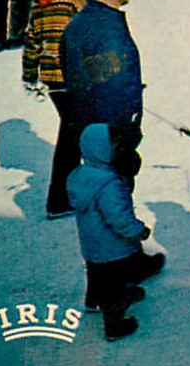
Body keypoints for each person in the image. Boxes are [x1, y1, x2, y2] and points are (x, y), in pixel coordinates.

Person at [68, 123, 163, 340]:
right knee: (115, 284)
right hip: (113, 247)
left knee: (95, 273)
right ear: (101, 149)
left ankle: (93, 301)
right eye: (115, 145)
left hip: (91, 245)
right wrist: (139, 231)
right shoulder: (109, 184)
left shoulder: (81, 175)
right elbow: (120, 219)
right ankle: (115, 323)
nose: (120, 149)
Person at [62, 0, 145, 185]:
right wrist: (124, 138)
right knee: (114, 199)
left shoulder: (77, 23)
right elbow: (115, 87)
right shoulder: (110, 31)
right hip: (111, 137)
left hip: (87, 133)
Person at [23, 0, 87, 219]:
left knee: (73, 134)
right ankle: (60, 199)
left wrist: (29, 75)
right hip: (75, 76)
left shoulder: (41, 0)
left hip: (53, 81)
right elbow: (89, 32)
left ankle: (67, 194)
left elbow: (31, 42)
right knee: (74, 138)